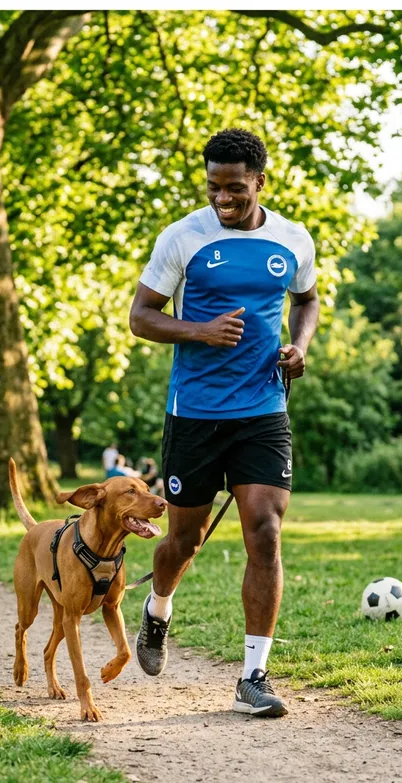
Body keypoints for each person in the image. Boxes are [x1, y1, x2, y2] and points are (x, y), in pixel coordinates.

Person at [128, 128, 319, 717]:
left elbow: (306, 299)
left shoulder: (292, 239)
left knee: (264, 530)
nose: (222, 199)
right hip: (196, 415)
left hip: (263, 410)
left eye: (234, 188)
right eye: (213, 186)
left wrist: (299, 345)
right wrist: (200, 332)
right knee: (181, 543)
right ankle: (158, 610)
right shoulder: (182, 237)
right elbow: (141, 317)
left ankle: (253, 675)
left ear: (261, 180)